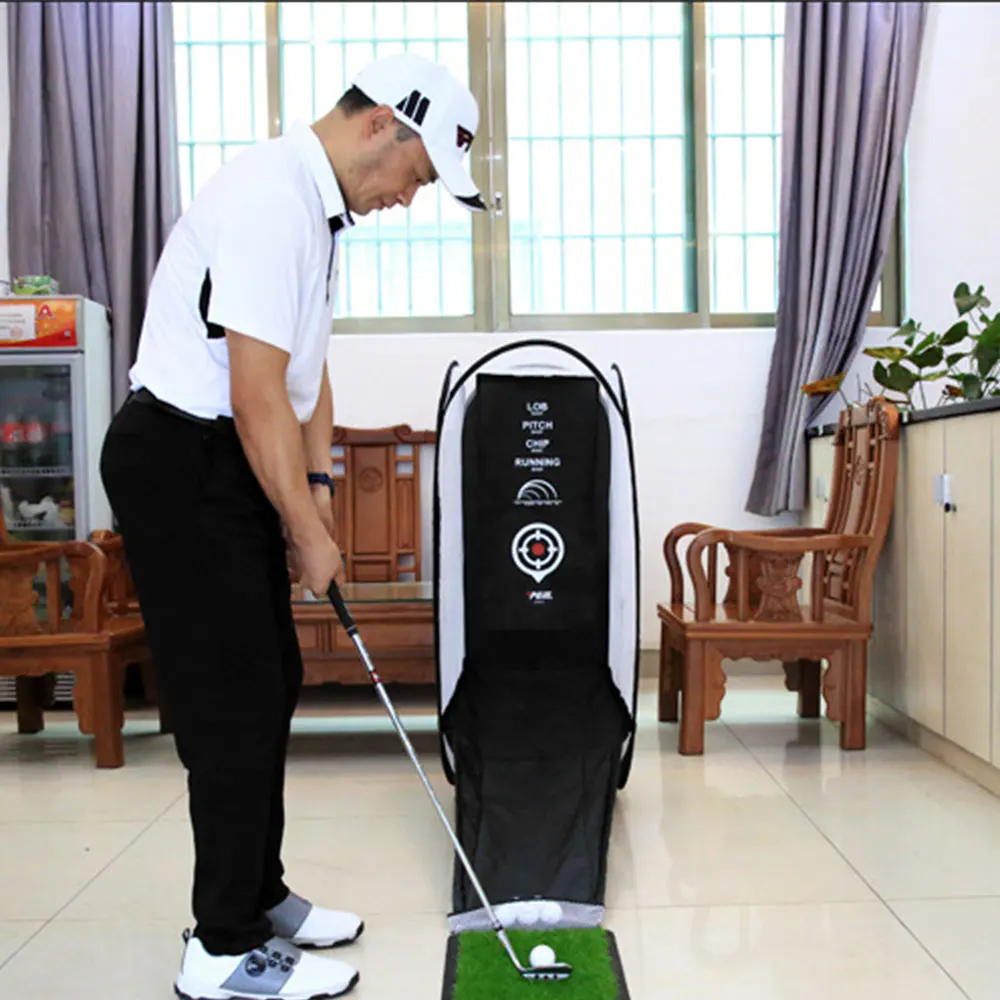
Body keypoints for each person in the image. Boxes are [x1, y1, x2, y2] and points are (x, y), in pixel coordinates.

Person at [100, 52, 485, 1000]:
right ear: (380, 123)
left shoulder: (317, 214)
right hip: (182, 457)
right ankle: (221, 948)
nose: (408, 199)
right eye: (416, 175)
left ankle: (258, 892)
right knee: (229, 701)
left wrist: (317, 488)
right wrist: (308, 534)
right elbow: (254, 392)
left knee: (268, 678)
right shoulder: (272, 197)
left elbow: (307, 374)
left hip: (229, 459)